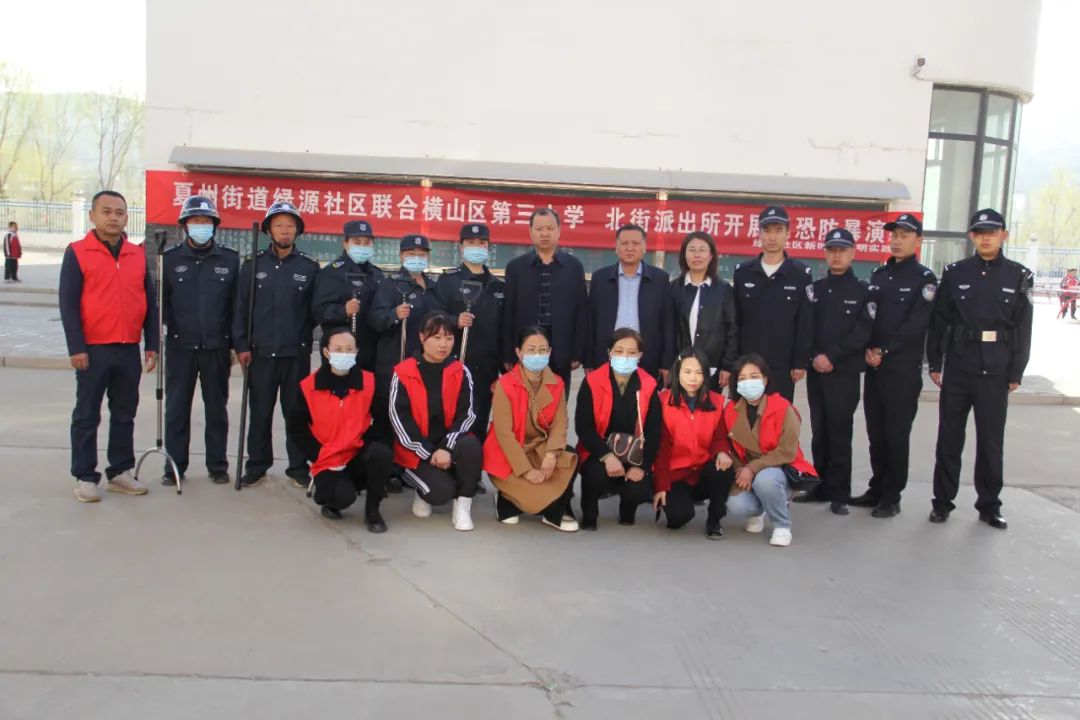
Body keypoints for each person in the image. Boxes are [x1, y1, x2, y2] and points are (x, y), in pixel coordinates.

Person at [927, 209, 1034, 530]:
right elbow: (940, 320)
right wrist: (935, 362)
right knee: (949, 438)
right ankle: (942, 502)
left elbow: (1023, 327)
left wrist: (1016, 371)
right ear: (971, 236)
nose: (986, 238)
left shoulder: (1018, 275)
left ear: (1004, 235)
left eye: (992, 232)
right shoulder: (955, 273)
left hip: (996, 368)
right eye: (979, 233)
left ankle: (989, 505)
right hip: (960, 365)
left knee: (990, 441)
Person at [59, 190, 158, 503]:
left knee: (125, 413)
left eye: (119, 212)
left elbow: (149, 301)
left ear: (127, 217)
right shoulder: (78, 252)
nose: (113, 217)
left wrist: (152, 343)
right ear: (93, 215)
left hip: (128, 347)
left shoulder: (136, 255)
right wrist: (76, 347)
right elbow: (68, 304)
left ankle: (120, 471)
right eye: (107, 211)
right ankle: (85, 476)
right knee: (87, 414)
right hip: (93, 348)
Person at [849, 214, 937, 517]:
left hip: (902, 369)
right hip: (875, 367)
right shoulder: (879, 274)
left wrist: (884, 349)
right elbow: (869, 316)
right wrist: (867, 349)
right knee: (876, 433)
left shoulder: (924, 279)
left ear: (918, 241)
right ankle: (876, 488)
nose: (897, 241)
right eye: (894, 235)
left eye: (904, 235)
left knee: (896, 435)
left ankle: (891, 496)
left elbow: (916, 324)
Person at [233, 200, 320, 488]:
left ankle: (297, 467)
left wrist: (302, 337)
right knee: (260, 413)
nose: (285, 230)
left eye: (290, 225)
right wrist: (241, 346)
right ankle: (257, 465)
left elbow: (314, 310)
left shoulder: (308, 267)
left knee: (295, 413)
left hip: (295, 354)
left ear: (297, 231)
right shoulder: (253, 265)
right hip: (259, 354)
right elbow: (240, 308)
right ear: (269, 230)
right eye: (279, 225)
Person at [161, 195, 238, 486]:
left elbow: (236, 307)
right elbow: (162, 303)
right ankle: (174, 466)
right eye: (195, 221)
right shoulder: (170, 260)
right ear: (185, 225)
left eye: (206, 221)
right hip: (181, 347)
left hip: (217, 348)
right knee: (176, 410)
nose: (201, 226)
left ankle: (217, 465)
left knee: (216, 410)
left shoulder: (229, 260)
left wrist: (235, 344)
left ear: (214, 226)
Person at [795, 229, 873, 515]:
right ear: (825, 254)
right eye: (832, 250)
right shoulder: (815, 290)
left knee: (839, 431)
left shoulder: (863, 291)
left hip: (844, 371)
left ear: (853, 253)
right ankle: (821, 486)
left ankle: (840, 492)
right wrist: (814, 357)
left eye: (842, 250)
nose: (837, 255)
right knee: (820, 431)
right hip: (817, 370)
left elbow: (862, 331)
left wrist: (832, 357)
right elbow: (806, 328)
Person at [287, 324, 391, 533]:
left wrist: (367, 443)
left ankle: (373, 511)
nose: (344, 354)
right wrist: (318, 453)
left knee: (381, 453)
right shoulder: (308, 386)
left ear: (356, 351)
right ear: (326, 352)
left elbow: (382, 420)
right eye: (338, 349)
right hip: (328, 458)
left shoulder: (369, 382)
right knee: (342, 497)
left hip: (357, 453)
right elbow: (297, 427)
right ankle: (330, 499)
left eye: (349, 349)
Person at [389, 311, 482, 531]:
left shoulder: (460, 371)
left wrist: (447, 448)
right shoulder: (403, 372)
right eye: (437, 337)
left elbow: (468, 414)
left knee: (471, 445)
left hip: (448, 446)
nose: (443, 344)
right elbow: (399, 420)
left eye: (449, 338)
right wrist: (430, 453)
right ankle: (424, 491)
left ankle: (463, 505)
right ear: (422, 337)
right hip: (417, 452)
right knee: (440, 493)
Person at [484, 326, 578, 531]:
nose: (537, 355)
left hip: (539, 448)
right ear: (519, 353)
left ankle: (554, 509)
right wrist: (526, 471)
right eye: (531, 350)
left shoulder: (557, 383)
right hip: (509, 453)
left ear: (550, 352)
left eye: (543, 350)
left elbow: (560, 422)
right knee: (534, 496)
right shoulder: (504, 384)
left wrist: (551, 454)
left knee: (568, 457)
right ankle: (507, 500)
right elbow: (504, 433)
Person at [721, 354, 817, 547]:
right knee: (735, 505)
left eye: (754, 376)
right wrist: (740, 469)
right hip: (746, 469)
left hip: (779, 467)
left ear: (765, 379)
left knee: (766, 480)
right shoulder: (731, 409)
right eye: (742, 378)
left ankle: (782, 524)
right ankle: (760, 510)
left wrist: (752, 468)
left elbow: (787, 451)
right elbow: (730, 446)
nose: (748, 382)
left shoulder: (783, 408)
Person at [575, 328, 662, 530]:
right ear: (609, 352)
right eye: (619, 351)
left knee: (639, 487)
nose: (625, 357)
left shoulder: (648, 384)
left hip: (635, 453)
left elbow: (654, 432)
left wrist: (641, 467)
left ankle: (627, 510)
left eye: (632, 353)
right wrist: (607, 456)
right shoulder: (593, 381)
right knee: (594, 474)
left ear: (640, 355)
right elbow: (583, 427)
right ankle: (589, 514)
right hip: (600, 450)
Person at [433, 222, 505, 452]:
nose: (476, 247)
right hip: (453, 364)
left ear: (488, 247)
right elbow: (433, 316)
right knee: (448, 418)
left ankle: (472, 468)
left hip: (486, 369)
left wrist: (504, 370)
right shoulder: (448, 281)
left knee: (478, 421)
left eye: (481, 243)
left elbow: (504, 330)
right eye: (471, 242)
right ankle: (444, 462)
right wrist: (455, 320)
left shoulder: (498, 286)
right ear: (461, 247)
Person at [501, 208, 587, 393]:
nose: (545, 234)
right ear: (530, 232)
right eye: (539, 229)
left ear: (559, 231)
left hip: (561, 350)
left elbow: (581, 312)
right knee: (523, 403)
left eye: (550, 228)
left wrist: (578, 351)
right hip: (526, 351)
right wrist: (508, 352)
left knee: (557, 402)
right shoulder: (516, 267)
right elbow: (508, 312)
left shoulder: (573, 266)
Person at [732, 206, 813, 402]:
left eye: (778, 230)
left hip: (782, 366)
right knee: (743, 416)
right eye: (767, 231)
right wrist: (733, 361)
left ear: (788, 233)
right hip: (747, 364)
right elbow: (735, 321)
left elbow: (805, 322)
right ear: (759, 234)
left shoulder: (800, 274)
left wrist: (799, 362)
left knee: (779, 415)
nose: (772, 237)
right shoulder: (743, 272)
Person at [652, 349, 735, 539]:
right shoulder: (662, 401)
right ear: (677, 373)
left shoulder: (716, 401)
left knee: (723, 469)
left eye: (698, 372)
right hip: (676, 474)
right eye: (687, 372)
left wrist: (722, 452)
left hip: (704, 471)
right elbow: (661, 448)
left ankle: (715, 519)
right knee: (677, 518)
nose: (693, 378)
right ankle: (674, 502)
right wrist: (661, 485)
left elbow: (720, 437)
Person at [586, 223, 674, 380]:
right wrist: (589, 360)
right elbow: (590, 321)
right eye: (624, 243)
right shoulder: (600, 278)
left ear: (644, 247)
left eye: (635, 243)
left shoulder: (660, 279)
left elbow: (667, 322)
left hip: (647, 357)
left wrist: (666, 362)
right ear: (616, 247)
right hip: (607, 356)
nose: (630, 248)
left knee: (644, 395)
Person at [311, 219, 386, 372]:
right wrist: (343, 311)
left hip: (370, 350)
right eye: (357, 242)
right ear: (345, 243)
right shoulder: (331, 273)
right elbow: (319, 310)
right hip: (340, 351)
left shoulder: (377, 274)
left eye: (367, 243)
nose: (362, 247)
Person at [671, 231, 738, 390]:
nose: (697, 255)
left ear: (711, 256)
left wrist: (727, 366)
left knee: (709, 405)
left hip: (712, 367)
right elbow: (668, 328)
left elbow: (732, 328)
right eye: (692, 250)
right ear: (684, 255)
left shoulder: (723, 289)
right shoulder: (674, 288)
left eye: (702, 250)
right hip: (680, 366)